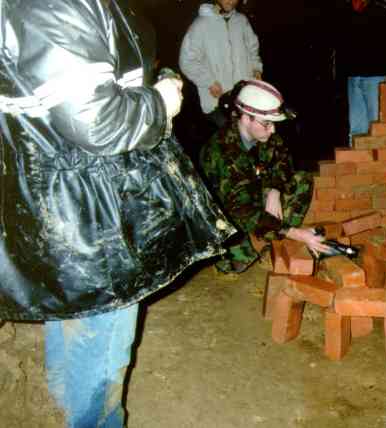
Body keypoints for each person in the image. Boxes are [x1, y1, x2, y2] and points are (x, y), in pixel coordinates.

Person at [0, 1, 236, 426]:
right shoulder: (58, 5)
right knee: (102, 345)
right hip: (84, 213)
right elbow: (96, 122)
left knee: (75, 321)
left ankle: (64, 409)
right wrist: (159, 103)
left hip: (73, 201)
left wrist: (147, 84)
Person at [200, 79, 329, 274]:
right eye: (267, 124)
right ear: (245, 118)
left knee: (301, 180)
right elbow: (242, 210)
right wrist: (297, 234)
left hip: (251, 199)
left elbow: (283, 163)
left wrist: (274, 190)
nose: (273, 130)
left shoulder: (264, 134)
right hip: (226, 221)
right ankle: (239, 255)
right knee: (239, 253)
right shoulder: (222, 152)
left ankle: (273, 240)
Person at [179, 0, 263, 129]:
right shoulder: (200, 25)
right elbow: (187, 60)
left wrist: (256, 69)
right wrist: (209, 81)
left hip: (245, 98)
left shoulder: (241, 21)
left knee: (251, 139)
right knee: (228, 143)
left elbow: (252, 48)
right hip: (217, 102)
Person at [337, 0, 386, 145]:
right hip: (353, 78)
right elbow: (339, 45)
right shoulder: (345, 8)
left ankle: (380, 166)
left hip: (376, 78)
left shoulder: (384, 7)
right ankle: (359, 164)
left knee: (379, 130)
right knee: (356, 132)